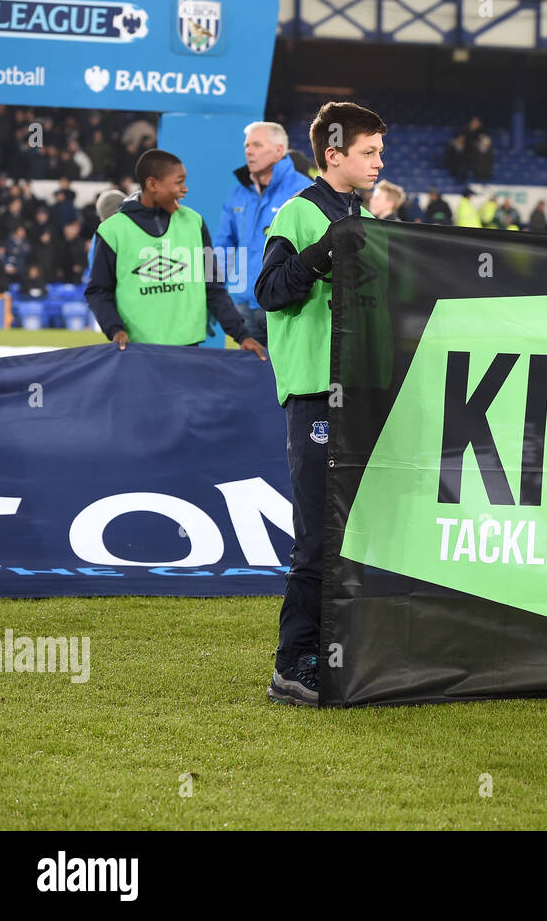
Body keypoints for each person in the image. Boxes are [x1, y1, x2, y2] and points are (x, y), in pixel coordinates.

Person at [254, 101, 385, 707]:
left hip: (352, 391)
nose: (379, 162)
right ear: (334, 155)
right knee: (315, 539)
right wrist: (323, 251)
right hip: (313, 392)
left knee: (344, 533)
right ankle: (293, 664)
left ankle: (329, 653)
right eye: (369, 151)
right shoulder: (299, 212)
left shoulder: (358, 212)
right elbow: (271, 293)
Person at [85, 149, 265, 357]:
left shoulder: (194, 222)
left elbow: (213, 286)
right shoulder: (111, 231)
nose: (184, 190)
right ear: (152, 185)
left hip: (188, 352)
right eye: (178, 183)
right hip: (137, 352)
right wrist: (114, 329)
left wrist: (241, 335)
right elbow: (98, 291)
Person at [214, 122, 312, 346]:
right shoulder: (237, 194)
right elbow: (224, 245)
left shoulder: (304, 191)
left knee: (284, 378)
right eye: (247, 145)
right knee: (245, 378)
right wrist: (215, 293)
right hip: (243, 305)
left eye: (257, 145)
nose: (249, 150)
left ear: (279, 150)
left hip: (287, 307)